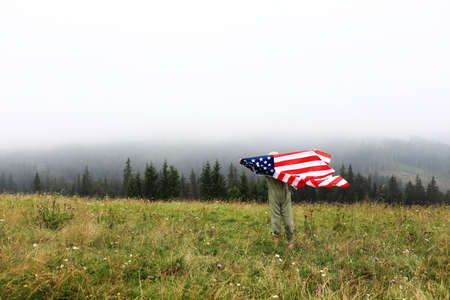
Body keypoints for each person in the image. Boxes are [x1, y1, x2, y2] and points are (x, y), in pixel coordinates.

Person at [266, 151, 294, 248]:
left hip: (286, 196)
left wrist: (311, 155)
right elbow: (253, 165)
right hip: (273, 196)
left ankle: (290, 242)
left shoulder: (285, 168)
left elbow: (297, 168)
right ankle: (276, 245)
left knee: (289, 222)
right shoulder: (266, 170)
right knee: (275, 220)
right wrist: (243, 161)